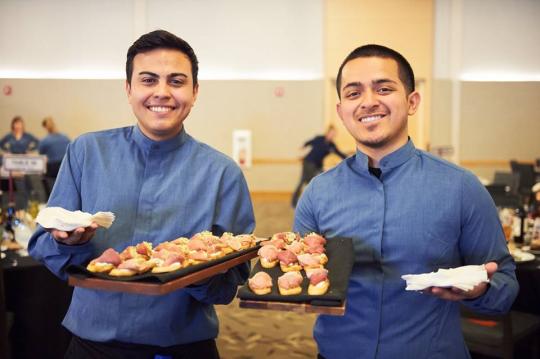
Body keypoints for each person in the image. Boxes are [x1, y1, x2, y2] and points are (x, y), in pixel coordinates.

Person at [29, 30, 255, 359]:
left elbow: (230, 283)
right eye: (148, 80)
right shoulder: (86, 152)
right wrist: (67, 242)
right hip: (92, 345)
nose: (161, 93)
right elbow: (42, 246)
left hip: (182, 347)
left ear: (195, 91)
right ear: (129, 88)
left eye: (176, 82)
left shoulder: (222, 173)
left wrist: (194, 267)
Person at [293, 44, 518, 359]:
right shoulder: (317, 193)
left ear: (412, 101)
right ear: (341, 110)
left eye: (383, 88)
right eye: (354, 93)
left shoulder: (461, 187)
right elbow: (301, 278)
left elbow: (505, 282)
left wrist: (482, 289)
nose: (369, 101)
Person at [291, 125, 347, 207]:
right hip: (308, 162)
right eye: (331, 133)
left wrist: (349, 158)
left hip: (318, 165)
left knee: (320, 179)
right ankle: (295, 202)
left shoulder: (332, 145)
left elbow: (339, 153)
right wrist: (304, 146)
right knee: (305, 181)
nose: (332, 135)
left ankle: (316, 201)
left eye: (334, 134)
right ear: (328, 133)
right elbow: (309, 142)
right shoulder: (319, 138)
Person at [38, 117, 70, 195]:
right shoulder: (65, 137)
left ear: (45, 127)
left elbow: (41, 153)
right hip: (65, 166)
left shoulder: (44, 141)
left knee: (53, 192)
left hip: (52, 168)